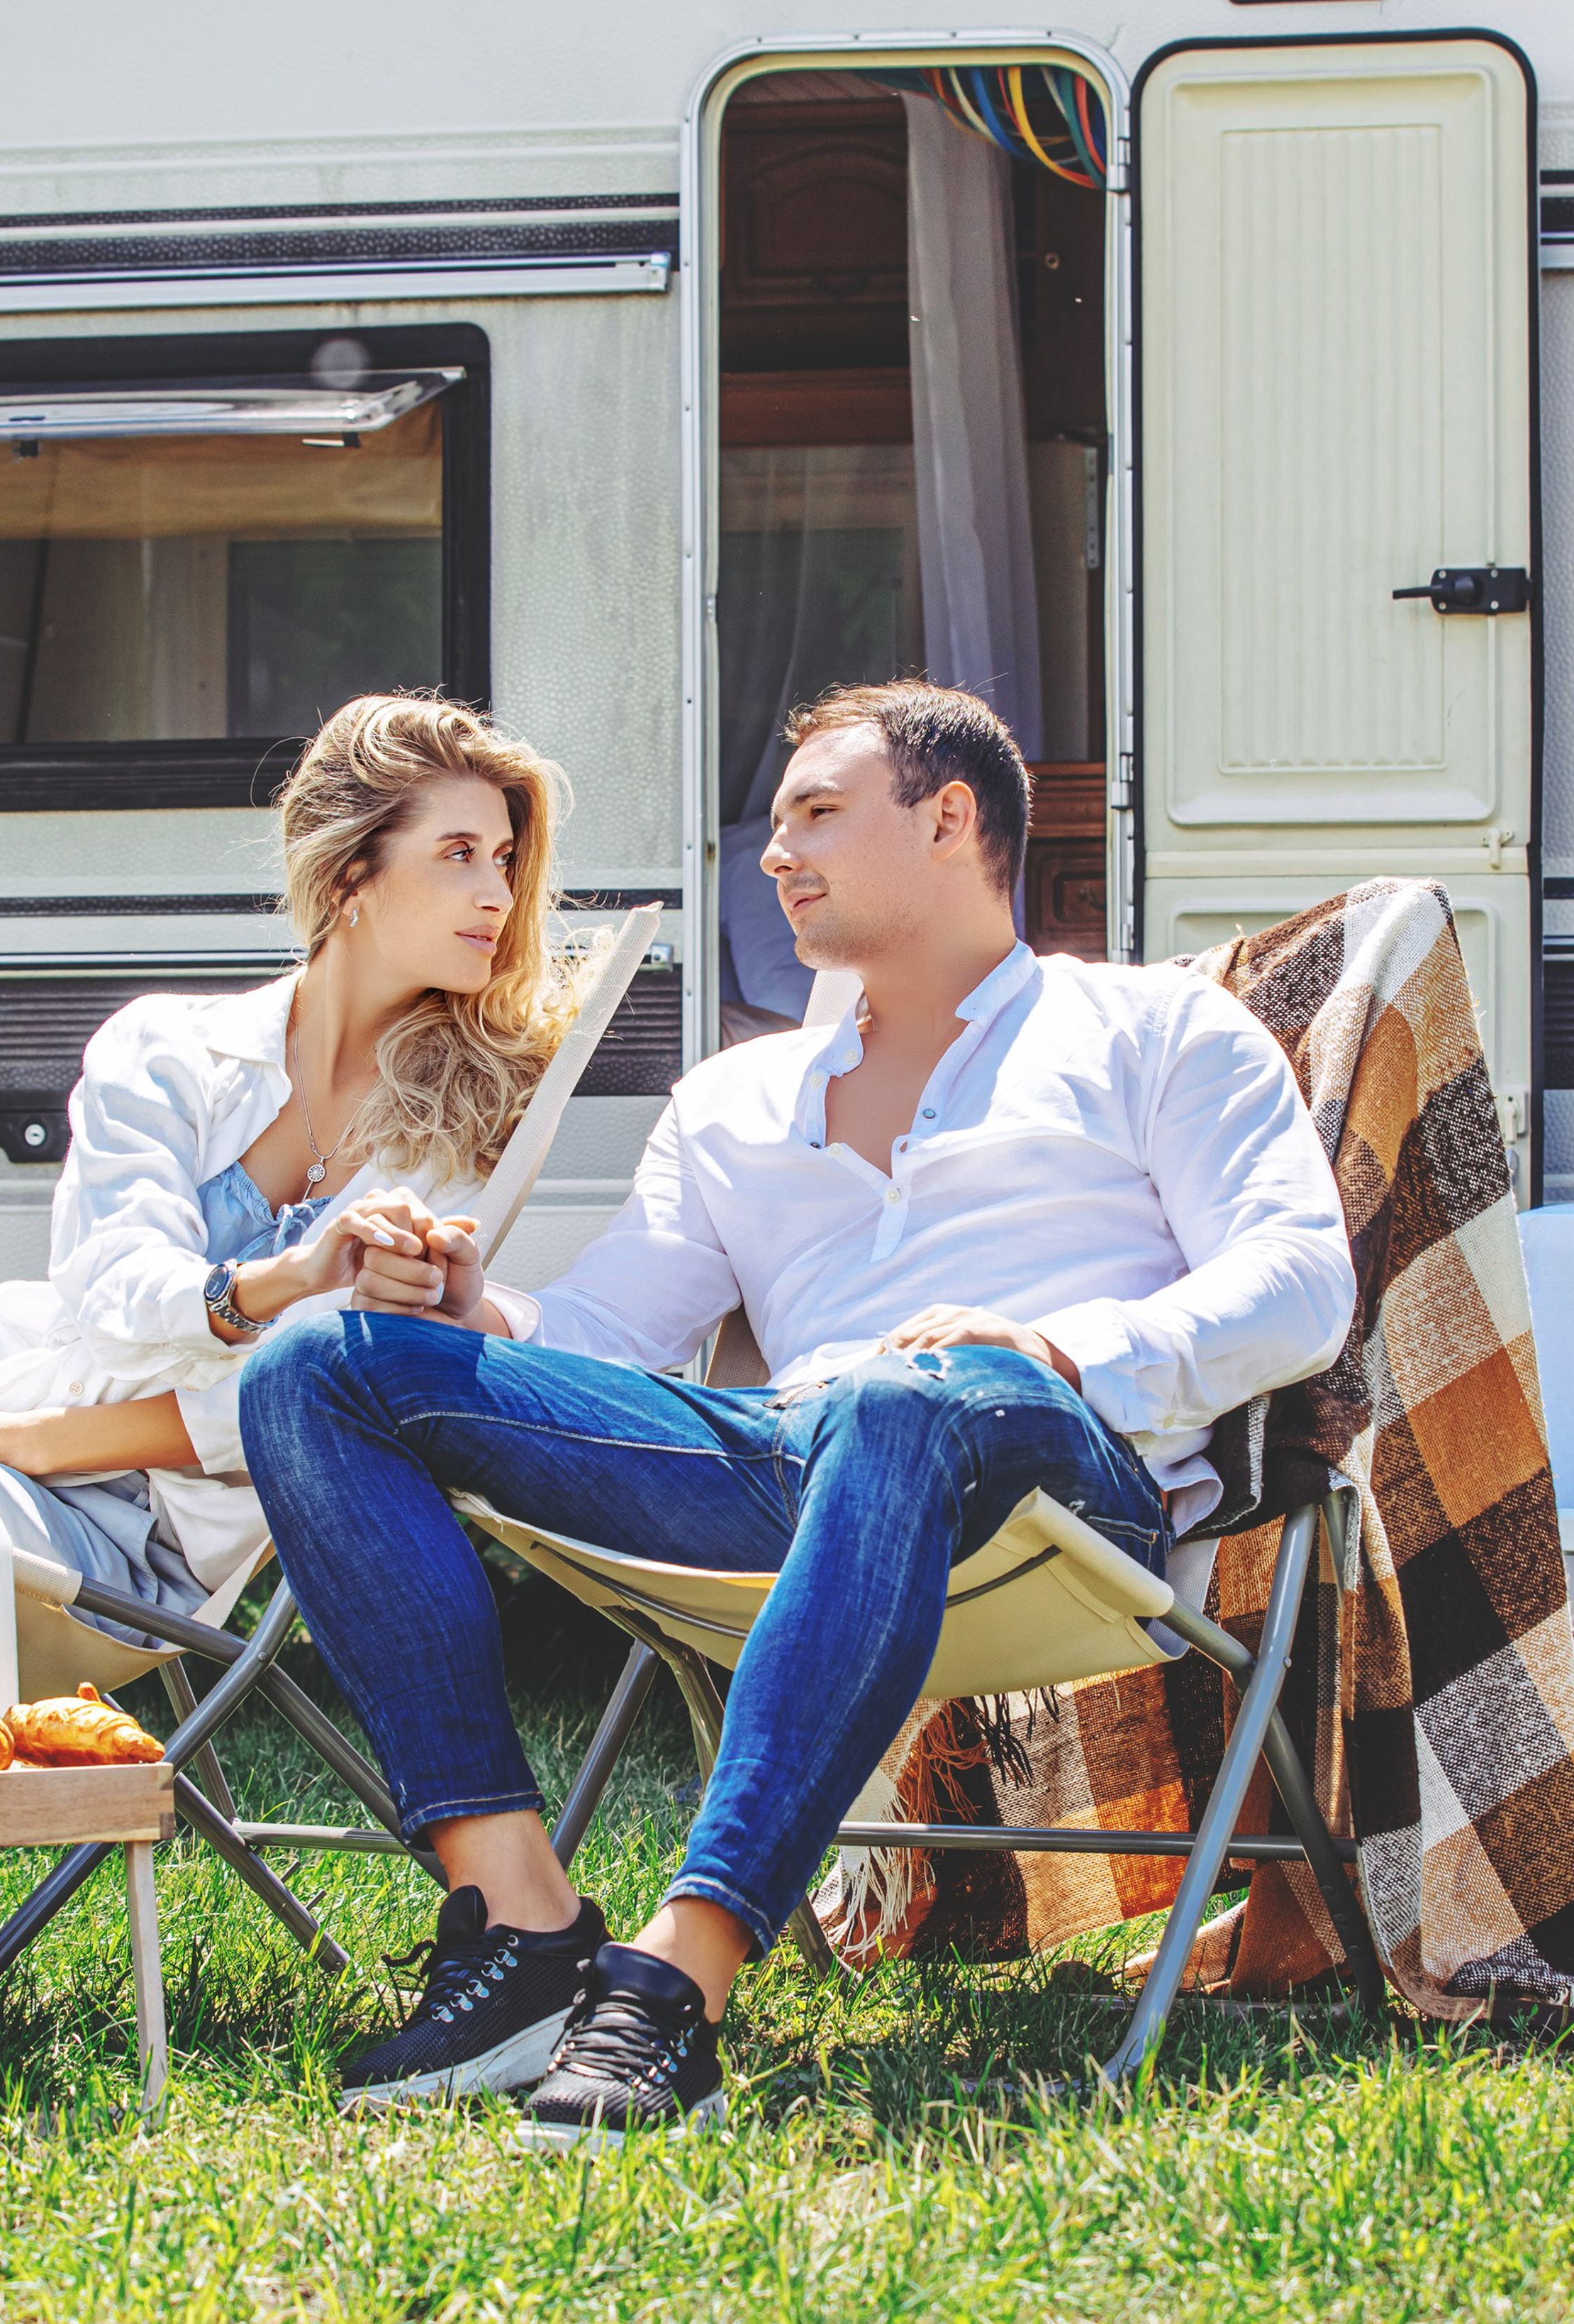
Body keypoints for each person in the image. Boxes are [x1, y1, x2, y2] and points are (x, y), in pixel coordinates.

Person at [238, 679, 1358, 2146]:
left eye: (817, 814)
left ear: (949, 820)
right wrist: (471, 1311)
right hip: (785, 1470)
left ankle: (674, 1982)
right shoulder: (734, 1101)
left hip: (1052, 1473)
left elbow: (1299, 1282)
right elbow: (606, 1332)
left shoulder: (1157, 1031)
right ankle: (520, 1924)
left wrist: (1057, 1347)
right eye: (775, 825)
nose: (773, 853)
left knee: (906, 1394)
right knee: (317, 1365)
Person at [0, 693, 579, 1668]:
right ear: (350, 873)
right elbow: (111, 1287)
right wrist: (285, 1278)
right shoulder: (166, 1047)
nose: (498, 895)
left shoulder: (469, 1132)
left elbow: (318, 1402)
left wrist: (35, 1441)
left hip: (114, 1531)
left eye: (504, 859)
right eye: (459, 854)